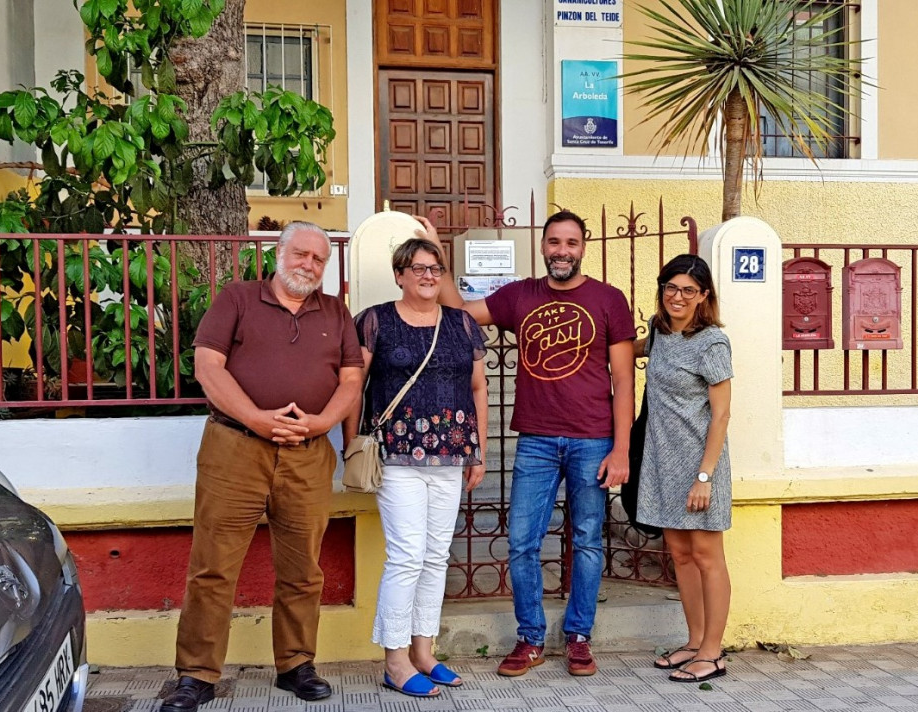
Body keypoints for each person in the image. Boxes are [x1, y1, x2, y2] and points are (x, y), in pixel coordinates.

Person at [417, 210, 636, 678]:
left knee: (588, 541)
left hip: (593, 439)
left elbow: (623, 378)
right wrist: (437, 252)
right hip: (536, 439)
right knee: (521, 542)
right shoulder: (521, 295)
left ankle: (579, 638)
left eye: (571, 243)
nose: (562, 251)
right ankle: (531, 638)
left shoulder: (609, 300)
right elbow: (459, 313)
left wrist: (622, 450)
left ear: (583, 246)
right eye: (554, 242)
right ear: (542, 246)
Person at [160, 222, 364, 711]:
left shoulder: (336, 312)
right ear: (279, 254)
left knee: (302, 570)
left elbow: (351, 379)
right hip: (236, 448)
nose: (309, 265)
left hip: (308, 455)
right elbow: (208, 366)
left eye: (318, 259)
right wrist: (256, 418)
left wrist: (318, 425)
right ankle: (196, 675)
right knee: (213, 567)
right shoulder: (238, 297)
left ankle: (296, 665)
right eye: (300, 254)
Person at [344, 238, 489, 698]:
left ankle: (424, 651)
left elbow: (479, 388)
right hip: (397, 454)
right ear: (399, 275)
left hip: (450, 455)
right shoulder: (376, 321)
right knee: (406, 556)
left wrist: (478, 450)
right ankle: (395, 660)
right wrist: (351, 442)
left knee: (435, 556)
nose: (429, 276)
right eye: (418, 268)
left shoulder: (463, 324)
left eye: (436, 268)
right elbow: (354, 384)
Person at [637, 254, 733, 684]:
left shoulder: (712, 342)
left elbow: (722, 415)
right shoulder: (658, 334)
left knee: (708, 557)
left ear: (703, 296)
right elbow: (627, 348)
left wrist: (705, 476)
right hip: (661, 462)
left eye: (688, 290)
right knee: (680, 554)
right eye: (671, 288)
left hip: (699, 464)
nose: (678, 297)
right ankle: (693, 641)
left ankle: (713, 652)